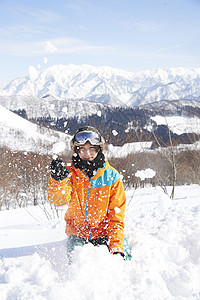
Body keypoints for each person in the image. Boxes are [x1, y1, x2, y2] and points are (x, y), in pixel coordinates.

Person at [48, 126, 127, 261]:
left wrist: (116, 247)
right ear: (76, 150)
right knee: (77, 263)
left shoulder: (111, 176)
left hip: (104, 233)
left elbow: (116, 215)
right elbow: (58, 200)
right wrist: (58, 180)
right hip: (78, 234)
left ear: (98, 149)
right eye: (82, 149)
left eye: (91, 149)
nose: (87, 153)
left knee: (122, 260)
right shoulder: (69, 173)